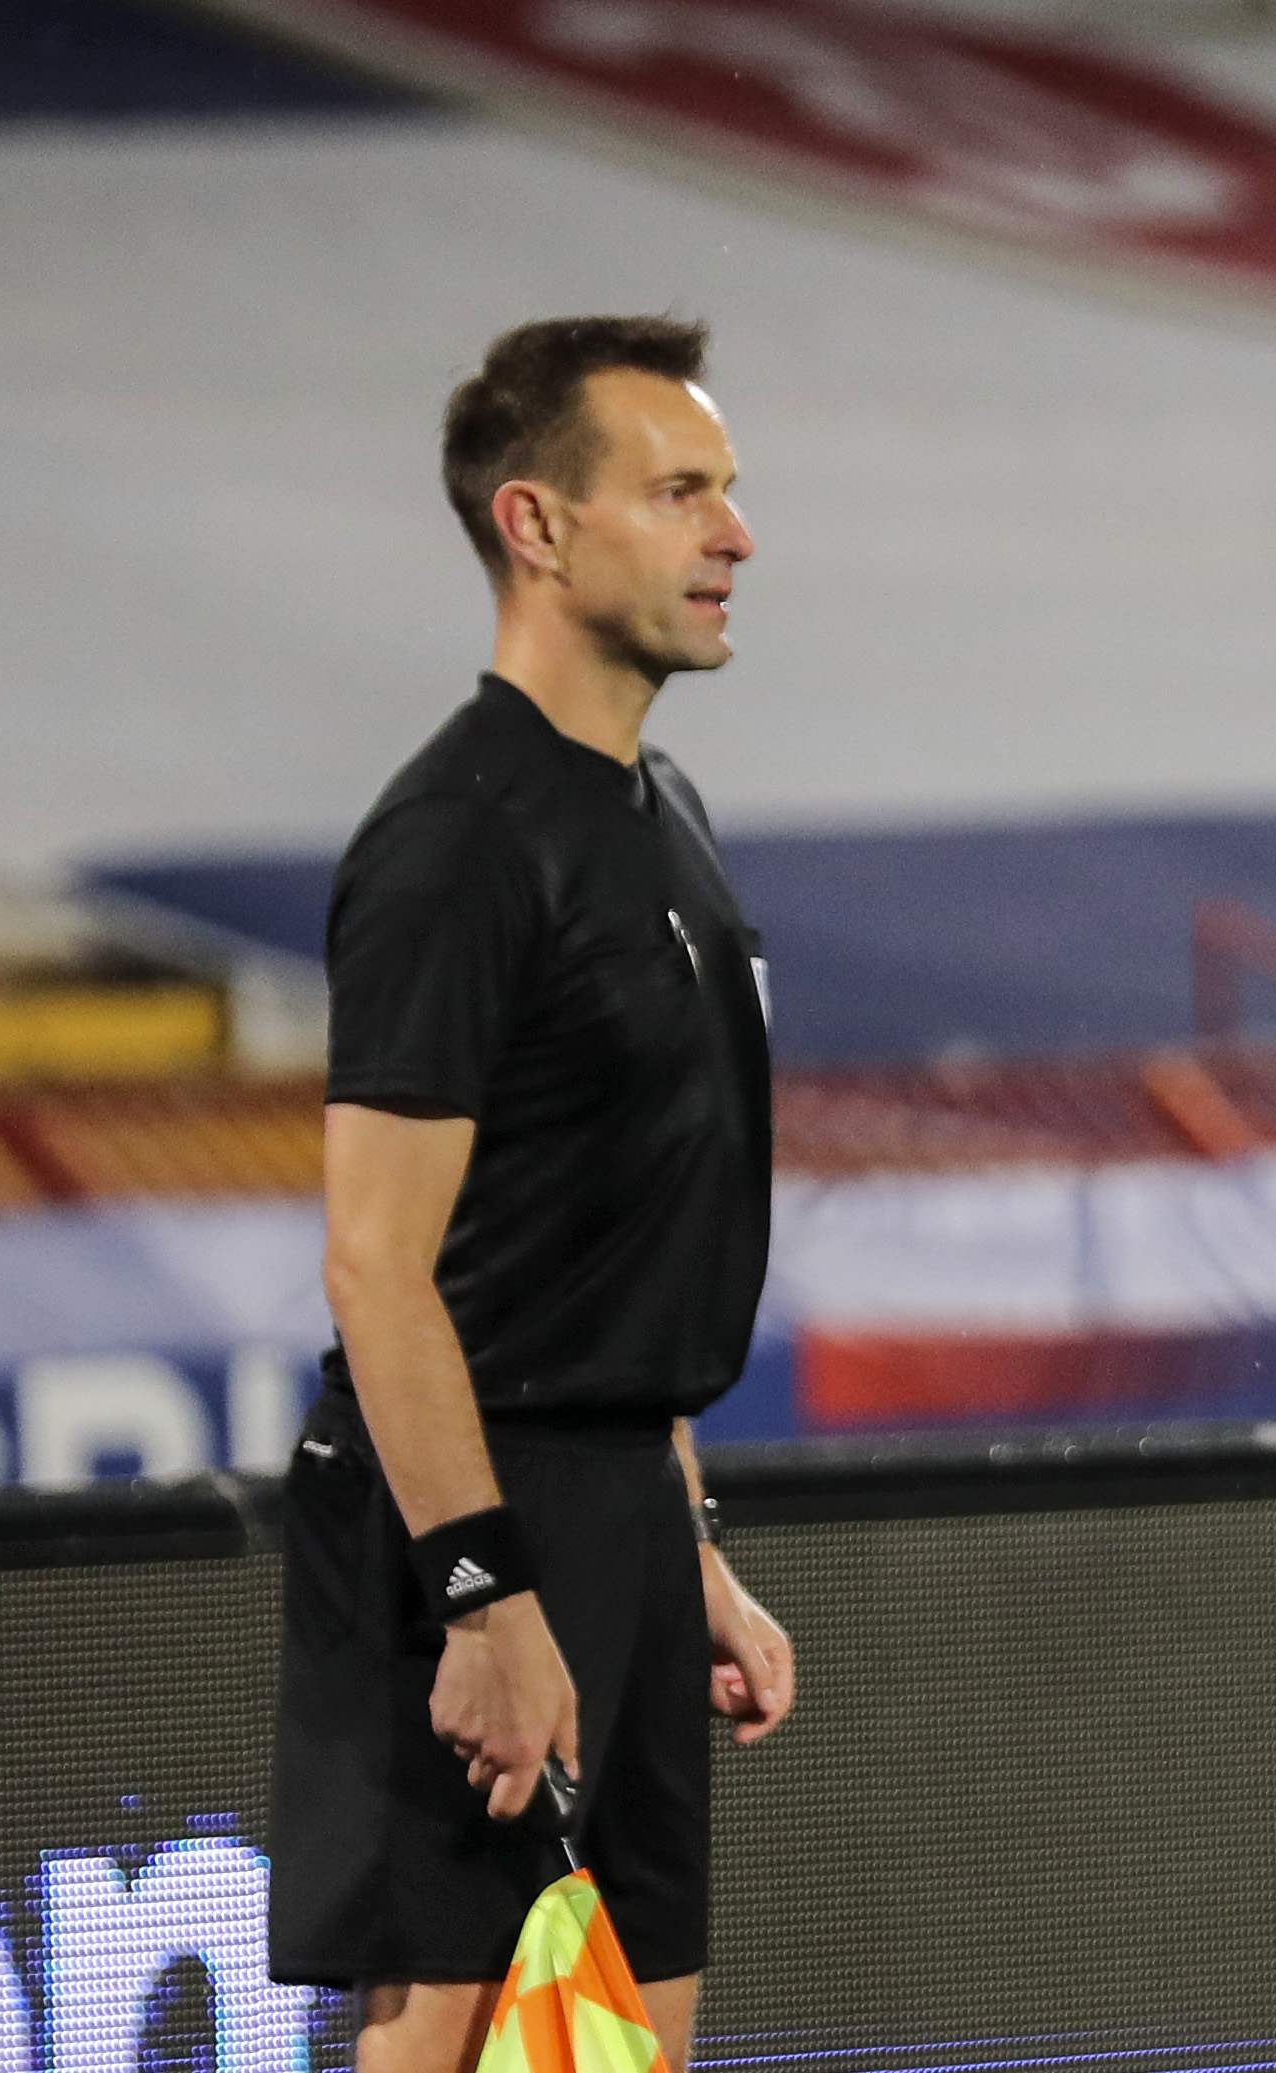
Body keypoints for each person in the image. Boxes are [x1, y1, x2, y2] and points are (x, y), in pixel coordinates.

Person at [270, 315, 799, 2073]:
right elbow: (375, 1264)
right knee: (452, 2035)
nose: (734, 533)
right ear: (537, 525)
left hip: (621, 1511)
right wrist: (488, 1596)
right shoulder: (456, 843)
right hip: (468, 1517)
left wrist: (691, 1548)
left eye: (726, 491)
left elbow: (618, 1238)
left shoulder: (667, 814)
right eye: (680, 491)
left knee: (629, 2047)